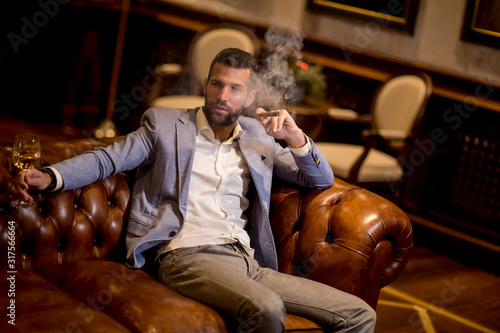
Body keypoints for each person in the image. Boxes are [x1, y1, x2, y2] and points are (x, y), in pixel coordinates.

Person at [19, 48, 376, 332]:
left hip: (247, 262)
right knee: (267, 308)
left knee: (359, 315)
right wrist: (50, 177)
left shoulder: (259, 137)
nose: (223, 95)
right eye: (217, 84)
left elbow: (320, 180)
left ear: (249, 95)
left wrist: (296, 139)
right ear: (206, 83)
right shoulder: (164, 125)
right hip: (185, 255)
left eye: (235, 89)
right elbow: (107, 158)